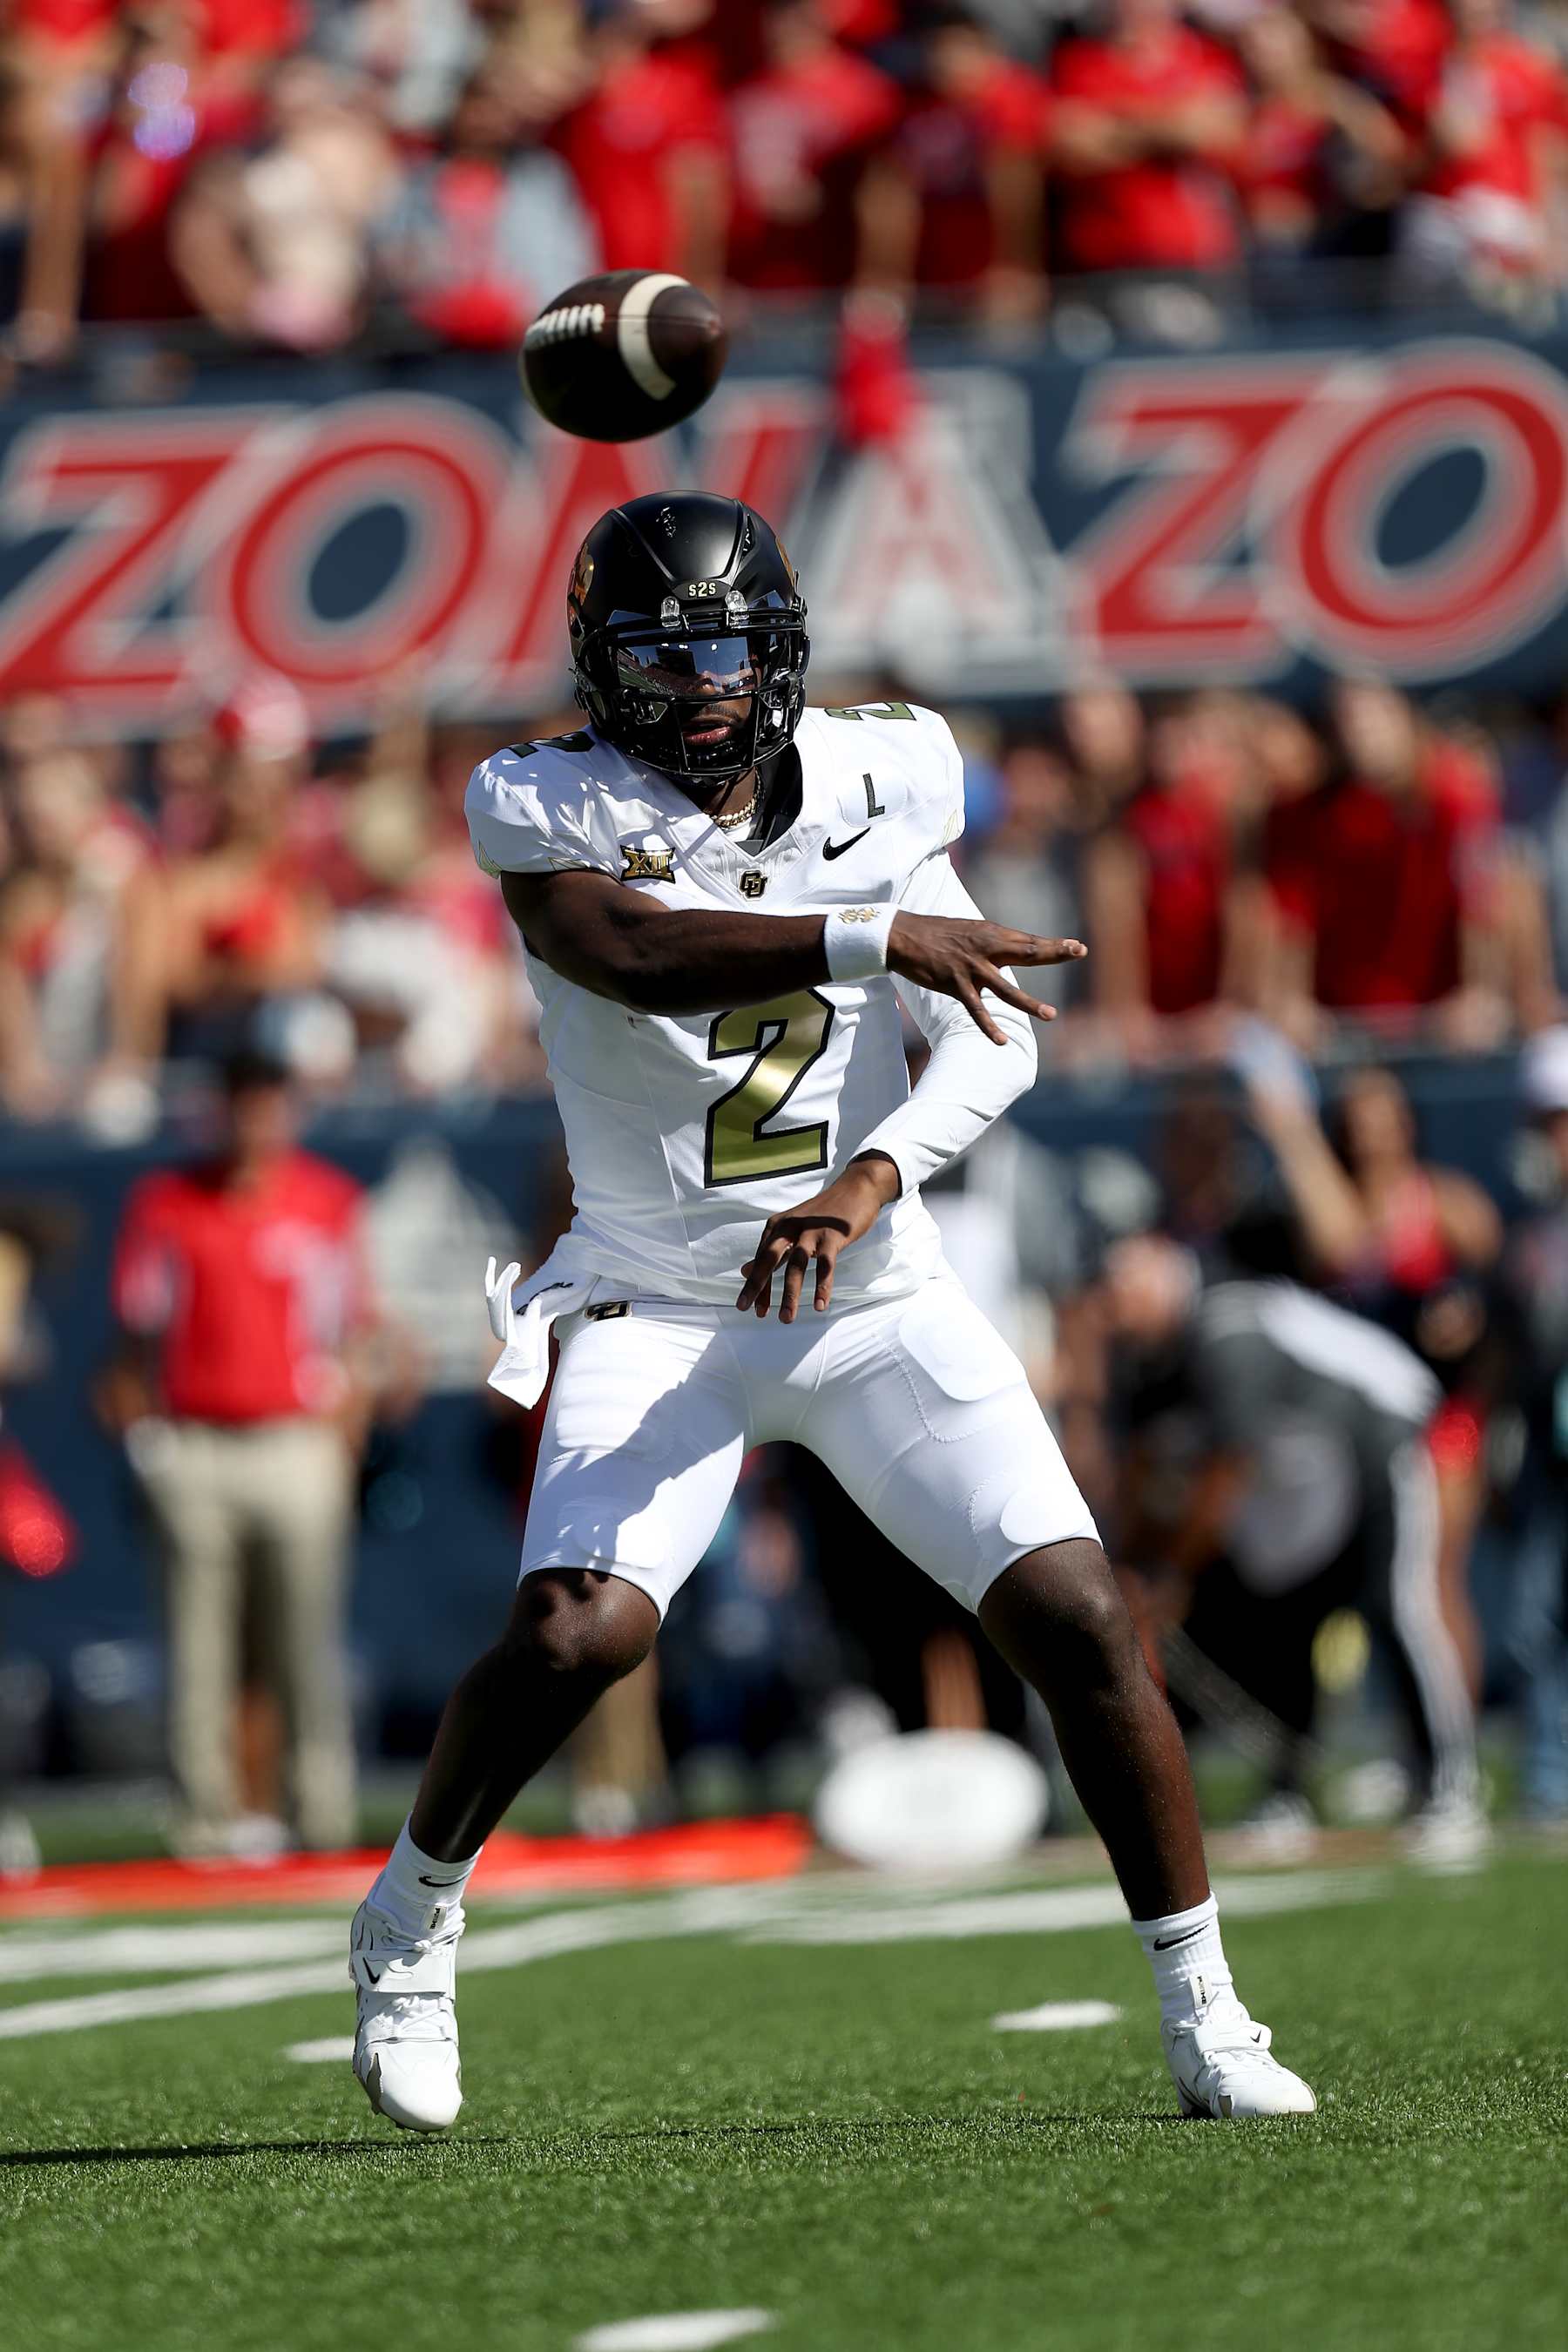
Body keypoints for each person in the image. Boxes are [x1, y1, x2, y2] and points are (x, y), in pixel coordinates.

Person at [348, 490, 1315, 2133]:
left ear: (783, 647)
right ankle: (408, 1922)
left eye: (731, 645)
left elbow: (994, 1027)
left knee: (1081, 1615)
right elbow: (635, 952)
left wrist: (869, 1178)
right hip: (659, 1300)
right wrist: (875, 934)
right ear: (601, 665)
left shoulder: (885, 773)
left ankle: (1206, 2006)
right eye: (666, 654)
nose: (706, 682)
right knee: (580, 1631)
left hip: (867, 1290)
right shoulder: (542, 799)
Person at [1103, 1233, 1483, 1855]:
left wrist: (1171, 1573)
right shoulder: (1155, 1355)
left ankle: (1450, 1785)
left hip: (1378, 1439)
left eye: (1125, 1295)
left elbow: (1229, 1468)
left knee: (1400, 1606)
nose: (1117, 1314)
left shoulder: (1226, 1330)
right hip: (1305, 1473)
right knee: (1283, 1620)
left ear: (1161, 1285)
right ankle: (1288, 1789)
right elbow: (1148, 1465)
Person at [106, 1048, 375, 1855]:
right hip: (197, 1445)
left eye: (267, 1103)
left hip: (295, 1441)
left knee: (306, 1643)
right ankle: (205, 1819)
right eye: (240, 1103)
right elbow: (135, 1336)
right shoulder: (166, 1203)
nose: (254, 1122)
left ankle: (319, 1813)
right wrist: (149, 1444)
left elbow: (358, 1332)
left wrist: (342, 1437)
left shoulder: (328, 1202)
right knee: (198, 1648)